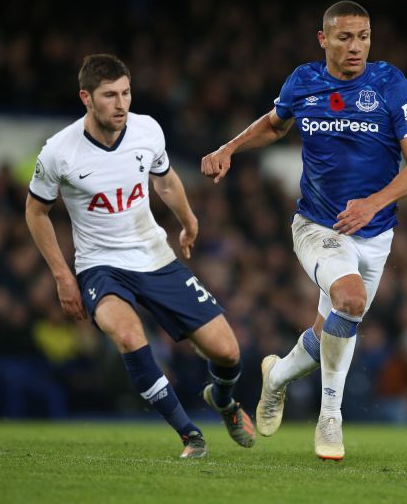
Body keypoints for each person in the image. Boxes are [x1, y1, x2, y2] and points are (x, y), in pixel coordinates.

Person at [201, 0, 407, 460]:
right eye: (345, 37)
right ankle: (331, 417)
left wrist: (373, 203)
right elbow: (274, 125)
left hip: (375, 230)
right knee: (349, 298)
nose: (356, 47)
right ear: (323, 39)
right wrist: (230, 147)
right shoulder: (304, 81)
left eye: (363, 36)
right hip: (317, 226)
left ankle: (278, 376)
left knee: (333, 326)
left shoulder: (391, 84)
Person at [25, 53, 255, 459]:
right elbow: (36, 210)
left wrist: (188, 220)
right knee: (130, 336)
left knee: (227, 351)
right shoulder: (59, 152)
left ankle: (223, 399)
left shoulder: (147, 130)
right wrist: (63, 275)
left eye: (126, 93)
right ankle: (190, 435)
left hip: (154, 257)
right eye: (109, 95)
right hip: (100, 267)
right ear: (86, 97)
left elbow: (164, 180)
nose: (121, 104)